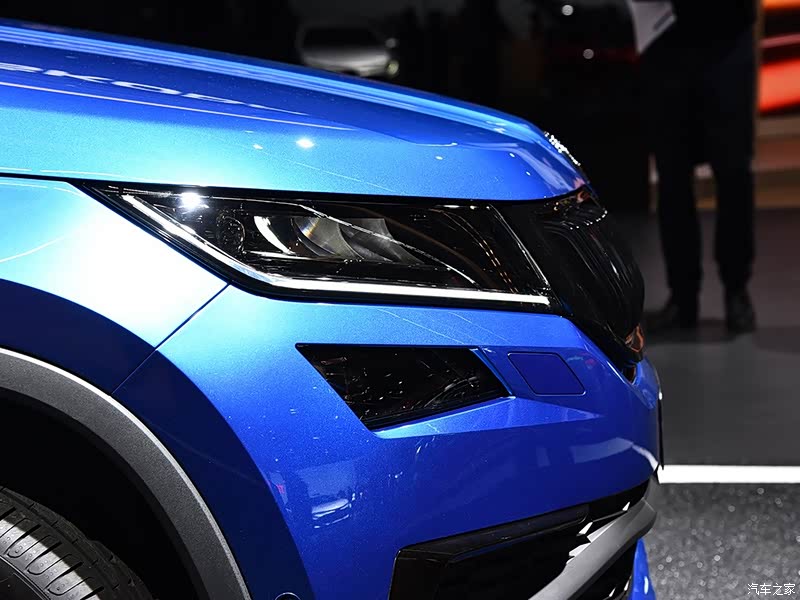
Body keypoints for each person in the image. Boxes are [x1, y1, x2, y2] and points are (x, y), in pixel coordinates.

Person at [641, 0, 758, 333]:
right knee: (672, 176)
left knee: (734, 172)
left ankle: (736, 290)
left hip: (728, 39)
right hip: (666, 38)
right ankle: (682, 297)